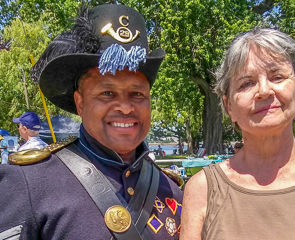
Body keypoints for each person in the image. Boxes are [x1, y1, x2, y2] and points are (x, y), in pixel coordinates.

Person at [0, 4, 182, 239]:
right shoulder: (29, 184)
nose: (126, 107)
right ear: (80, 103)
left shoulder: (172, 190)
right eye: (107, 93)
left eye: (137, 94)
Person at [181, 28, 295, 240]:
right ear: (229, 106)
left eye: (277, 77)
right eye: (246, 83)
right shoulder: (202, 190)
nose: (264, 91)